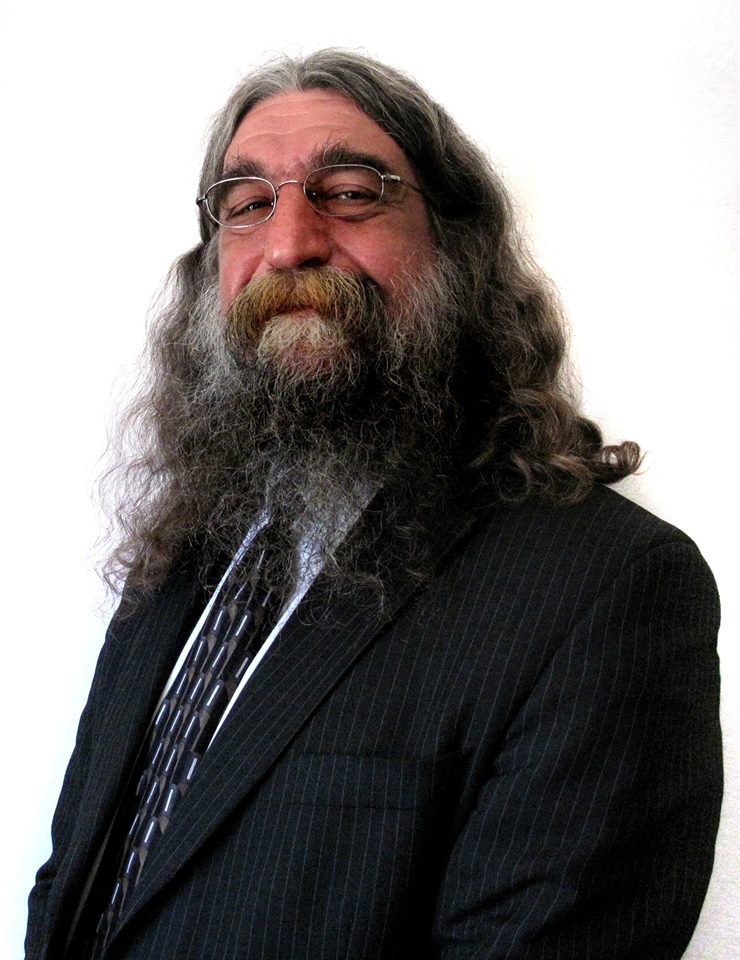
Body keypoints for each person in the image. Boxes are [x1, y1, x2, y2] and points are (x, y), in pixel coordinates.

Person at [26, 49, 722, 960]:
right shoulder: (185, 552)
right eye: (247, 204)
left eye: (350, 193)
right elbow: (76, 885)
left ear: (457, 250)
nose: (289, 244)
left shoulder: (606, 589)